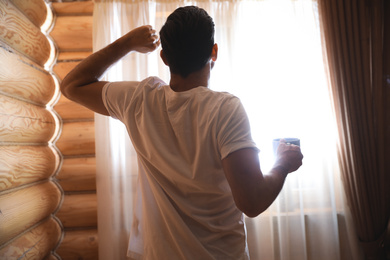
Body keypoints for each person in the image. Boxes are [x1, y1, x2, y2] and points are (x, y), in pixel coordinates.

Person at [61, 6, 303, 260]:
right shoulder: (226, 109)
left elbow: (72, 85)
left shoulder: (139, 100)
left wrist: (128, 42)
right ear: (214, 52)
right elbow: (252, 201)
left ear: (164, 57)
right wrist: (283, 163)